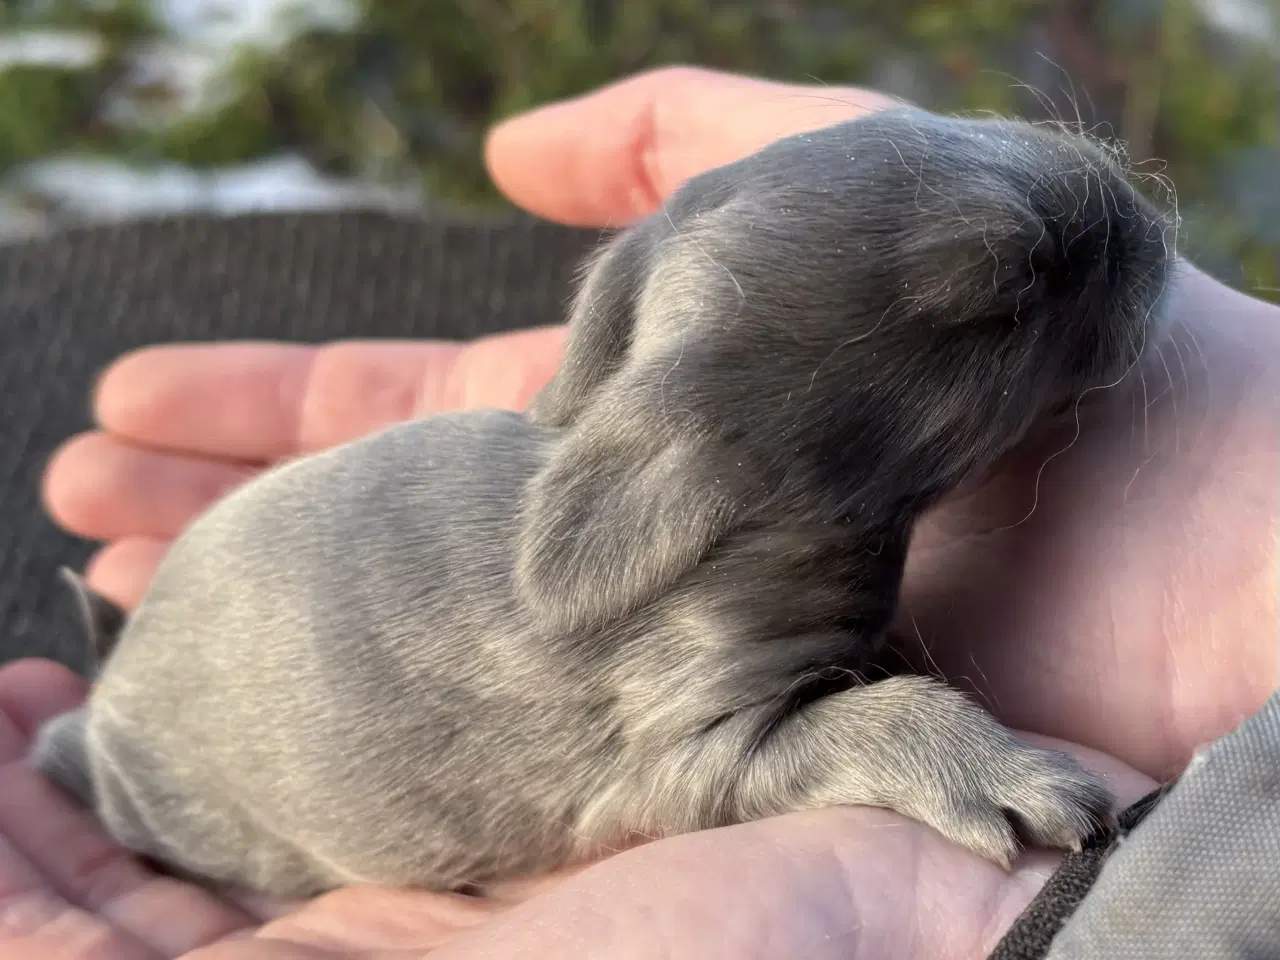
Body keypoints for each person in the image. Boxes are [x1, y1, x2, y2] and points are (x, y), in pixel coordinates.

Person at [1, 66, 1274, 959]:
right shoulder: (677, 576)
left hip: (256, 601)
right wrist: (901, 732)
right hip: (207, 766)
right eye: (996, 292)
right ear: (735, 444)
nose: (1136, 238)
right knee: (120, 775)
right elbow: (712, 748)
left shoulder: (683, 451)